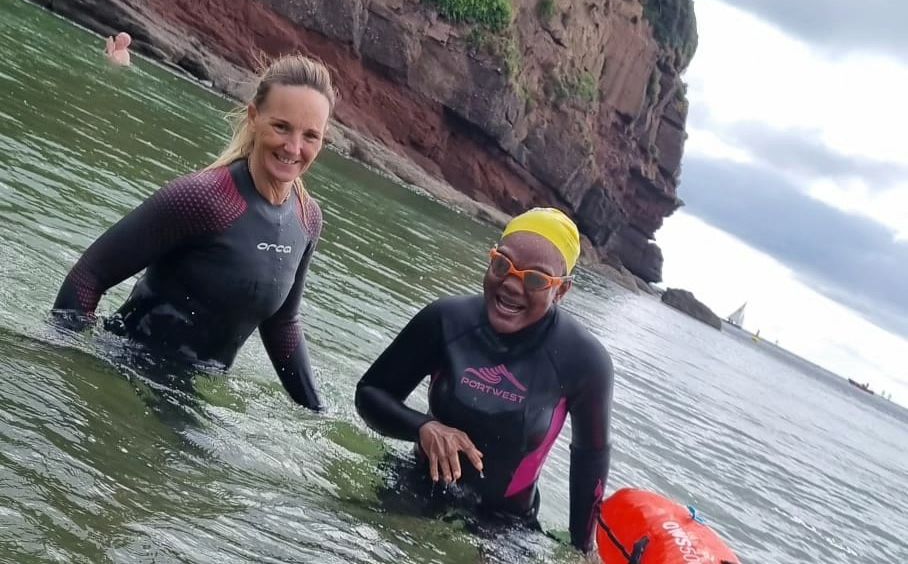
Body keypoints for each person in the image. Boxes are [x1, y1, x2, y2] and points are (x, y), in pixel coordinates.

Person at [52, 53, 334, 410]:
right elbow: (88, 275)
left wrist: (317, 411)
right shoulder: (202, 197)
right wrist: (64, 366)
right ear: (254, 118)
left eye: (310, 135)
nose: (294, 147)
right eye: (281, 127)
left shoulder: (307, 219)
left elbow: (282, 322)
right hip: (124, 364)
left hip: (188, 389)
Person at [355, 208, 614, 552]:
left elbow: (590, 460)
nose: (511, 284)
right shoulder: (447, 320)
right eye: (502, 265)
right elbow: (371, 394)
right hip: (418, 486)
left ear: (561, 291)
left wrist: (583, 550)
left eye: (535, 279)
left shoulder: (584, 360)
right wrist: (423, 427)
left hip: (506, 525)